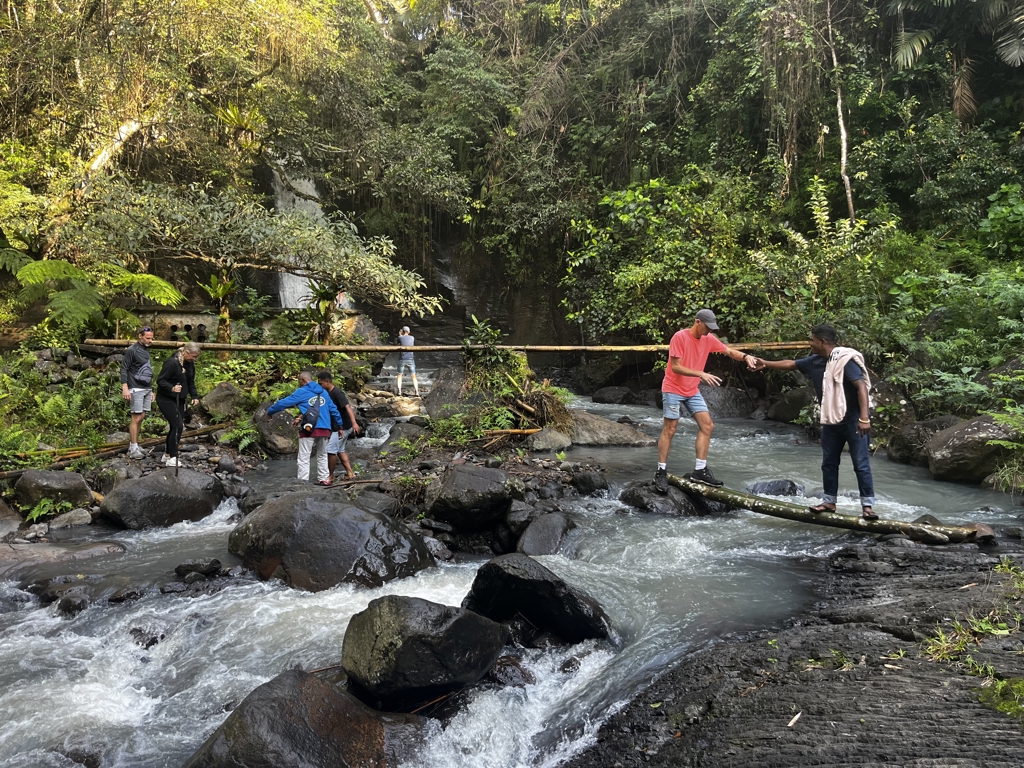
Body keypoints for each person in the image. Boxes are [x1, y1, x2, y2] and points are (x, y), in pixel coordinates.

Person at [751, 324, 877, 520]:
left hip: (853, 420)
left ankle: (867, 506)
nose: (810, 343)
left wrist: (864, 418)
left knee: (860, 463)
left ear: (822, 342)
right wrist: (765, 363)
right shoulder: (815, 361)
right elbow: (791, 364)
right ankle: (829, 502)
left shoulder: (844, 361)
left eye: (812, 340)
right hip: (831, 419)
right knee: (829, 463)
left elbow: (861, 387)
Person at [654, 309, 758, 492]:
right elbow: (676, 367)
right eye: (707, 327)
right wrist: (700, 373)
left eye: (712, 328)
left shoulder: (708, 339)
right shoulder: (679, 337)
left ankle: (700, 470)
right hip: (673, 388)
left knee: (707, 425)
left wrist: (746, 357)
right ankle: (661, 472)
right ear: (697, 322)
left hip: (691, 389)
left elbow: (728, 351)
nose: (709, 331)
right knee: (670, 428)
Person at [266, 370, 344, 485]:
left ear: (303, 380)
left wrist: (270, 411)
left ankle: (303, 482)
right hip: (324, 429)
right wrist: (340, 426)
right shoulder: (323, 392)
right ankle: (324, 479)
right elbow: (333, 410)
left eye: (299, 381)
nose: (299, 384)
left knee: (304, 457)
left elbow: (284, 403)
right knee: (322, 454)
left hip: (309, 428)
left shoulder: (301, 392)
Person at [155, 342, 201, 467]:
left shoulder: (190, 365)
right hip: (166, 399)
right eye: (193, 356)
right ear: (186, 353)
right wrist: (172, 388)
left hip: (180, 399)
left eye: (196, 357)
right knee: (178, 426)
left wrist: (195, 396)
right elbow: (160, 380)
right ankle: (173, 457)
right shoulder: (172, 363)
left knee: (175, 427)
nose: (194, 359)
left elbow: (190, 381)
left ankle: (168, 454)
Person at [317, 369, 362, 482]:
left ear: (327, 382)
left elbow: (348, 407)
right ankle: (350, 473)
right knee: (340, 450)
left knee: (331, 450)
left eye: (321, 383)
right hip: (339, 427)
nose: (320, 385)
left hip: (344, 426)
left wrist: (354, 423)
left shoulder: (337, 393)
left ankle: (330, 476)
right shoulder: (328, 393)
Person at [120, 326, 155, 460]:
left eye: (151, 338)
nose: (150, 340)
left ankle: (134, 445)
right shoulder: (132, 350)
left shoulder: (145, 350)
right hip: (135, 387)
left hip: (146, 388)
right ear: (140, 336)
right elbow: (124, 368)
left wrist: (151, 389)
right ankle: (133, 448)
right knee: (136, 417)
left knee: (141, 417)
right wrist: (125, 387)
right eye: (148, 338)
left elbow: (147, 370)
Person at [396, 325, 419, 397]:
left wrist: (400, 335)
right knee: (413, 376)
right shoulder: (412, 337)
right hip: (410, 359)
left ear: (402, 331)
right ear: (409, 332)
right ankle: (417, 391)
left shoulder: (400, 337)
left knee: (400, 375)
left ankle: (399, 391)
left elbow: (397, 344)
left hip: (402, 358)